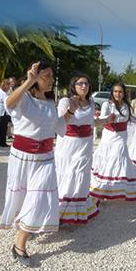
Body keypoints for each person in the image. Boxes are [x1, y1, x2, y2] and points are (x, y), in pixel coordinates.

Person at [0, 60, 67, 263]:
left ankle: (19, 244)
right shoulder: (24, 98)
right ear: (36, 79)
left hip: (46, 158)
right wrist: (28, 82)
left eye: (52, 76)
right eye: (47, 77)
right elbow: (8, 104)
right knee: (22, 198)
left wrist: (70, 112)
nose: (52, 80)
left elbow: (57, 126)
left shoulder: (50, 102)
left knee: (38, 198)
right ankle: (27, 225)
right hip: (22, 158)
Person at [89, 81, 136, 204]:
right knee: (107, 160)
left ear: (124, 93)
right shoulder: (107, 105)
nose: (118, 94)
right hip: (109, 135)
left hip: (121, 136)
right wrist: (105, 118)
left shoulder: (126, 106)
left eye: (120, 91)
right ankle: (101, 190)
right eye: (115, 91)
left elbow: (131, 119)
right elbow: (103, 120)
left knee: (119, 158)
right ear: (112, 92)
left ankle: (118, 189)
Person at [55, 75, 99, 227]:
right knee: (67, 174)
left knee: (81, 174)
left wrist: (106, 121)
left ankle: (76, 212)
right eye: (80, 83)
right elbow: (60, 122)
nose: (83, 86)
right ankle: (60, 212)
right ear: (73, 86)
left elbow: (91, 122)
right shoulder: (65, 101)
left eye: (86, 83)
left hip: (85, 144)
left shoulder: (92, 103)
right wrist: (71, 110)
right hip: (68, 145)